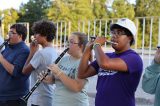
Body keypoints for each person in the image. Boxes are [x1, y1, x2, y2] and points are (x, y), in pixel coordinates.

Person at [78, 18, 143, 106]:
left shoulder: (133, 58)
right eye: (113, 32)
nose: (114, 36)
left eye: (119, 33)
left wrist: (97, 45)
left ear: (129, 37)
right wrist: (87, 50)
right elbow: (82, 74)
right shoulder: (107, 56)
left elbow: (105, 64)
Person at [40, 32, 90, 106]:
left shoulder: (84, 63)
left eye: (71, 42)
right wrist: (47, 78)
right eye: (68, 41)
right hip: (57, 102)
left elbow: (77, 87)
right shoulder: (63, 59)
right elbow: (54, 80)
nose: (67, 44)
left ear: (81, 46)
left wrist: (59, 73)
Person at [22, 20, 58, 106]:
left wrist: (32, 52)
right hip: (49, 96)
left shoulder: (41, 53)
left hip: (39, 99)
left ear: (44, 35)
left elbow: (24, 71)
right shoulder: (53, 51)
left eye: (36, 33)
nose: (34, 36)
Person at [0, 24, 30, 106]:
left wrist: (1, 59)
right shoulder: (8, 47)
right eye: (9, 33)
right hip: (3, 96)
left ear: (20, 36)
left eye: (12, 33)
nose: (8, 35)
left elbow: (15, 71)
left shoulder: (25, 51)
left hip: (14, 98)